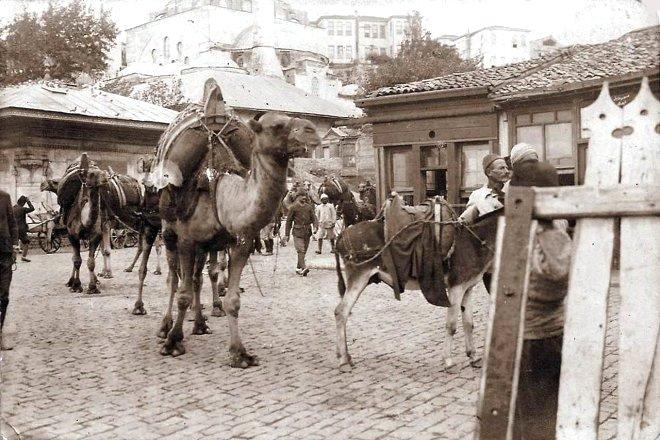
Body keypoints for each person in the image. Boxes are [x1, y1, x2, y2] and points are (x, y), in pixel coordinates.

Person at [511, 160, 571, 440]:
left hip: (540, 337)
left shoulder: (550, 231)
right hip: (518, 334)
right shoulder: (525, 226)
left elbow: (556, 280)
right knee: (521, 414)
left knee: (540, 419)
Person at [459, 154, 510, 293]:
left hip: (513, 255)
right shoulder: (478, 196)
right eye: (501, 168)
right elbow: (465, 224)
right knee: (497, 297)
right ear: (489, 172)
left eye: (507, 167)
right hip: (492, 260)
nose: (506, 171)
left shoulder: (512, 192)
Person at [283, 192, 318, 276]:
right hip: (297, 232)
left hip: (307, 232)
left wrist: (316, 226)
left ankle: (298, 268)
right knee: (301, 250)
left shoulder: (309, 207)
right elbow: (288, 221)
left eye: (305, 196)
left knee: (303, 251)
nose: (304, 198)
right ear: (297, 197)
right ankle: (304, 268)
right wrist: (287, 234)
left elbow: (314, 218)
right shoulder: (293, 208)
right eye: (302, 196)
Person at [0, 189, 18, 350]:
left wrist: (15, 244)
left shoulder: (4, 196)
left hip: (4, 253)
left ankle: (0, 333)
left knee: (4, 295)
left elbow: (12, 222)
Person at [13, 195, 34, 262]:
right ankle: (23, 257)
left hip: (13, 229)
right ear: (23, 203)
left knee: (14, 244)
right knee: (26, 242)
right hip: (21, 229)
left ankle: (13, 258)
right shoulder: (23, 209)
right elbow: (32, 208)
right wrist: (28, 201)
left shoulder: (12, 208)